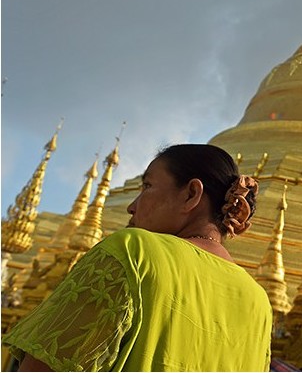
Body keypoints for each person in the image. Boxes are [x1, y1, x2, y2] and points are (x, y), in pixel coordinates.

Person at [3, 144, 273, 371]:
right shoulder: (258, 303)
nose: (132, 207)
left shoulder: (133, 251)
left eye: (147, 186)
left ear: (192, 194)